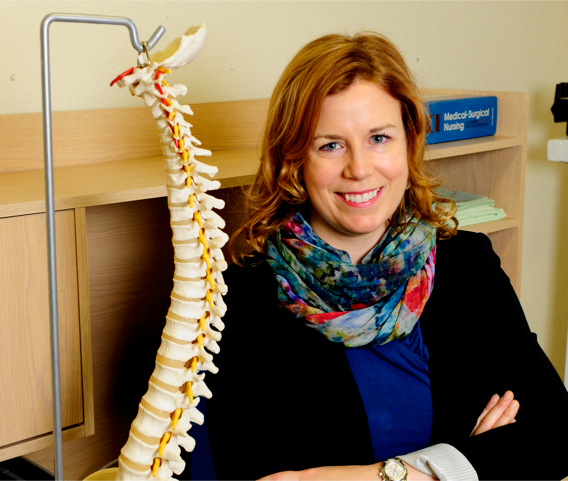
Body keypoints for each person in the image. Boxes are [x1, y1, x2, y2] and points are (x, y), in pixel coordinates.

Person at [205, 32, 568, 481]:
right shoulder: (238, 300)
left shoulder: (467, 264)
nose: (359, 168)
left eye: (379, 137)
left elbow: (556, 433)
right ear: (293, 159)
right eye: (330, 144)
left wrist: (392, 475)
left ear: (409, 143)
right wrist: (465, 463)